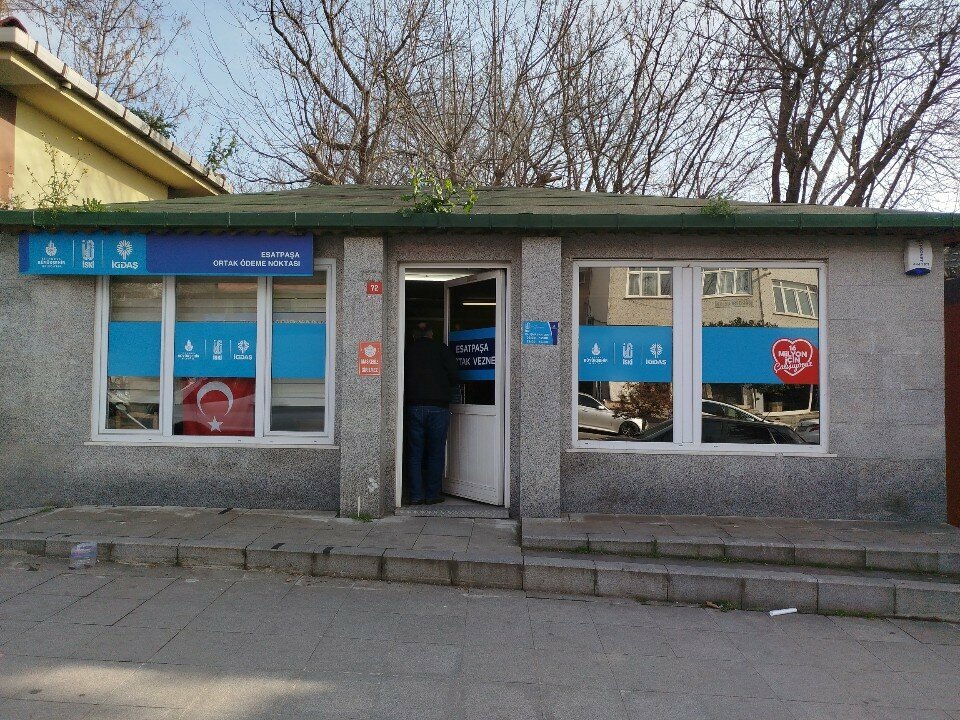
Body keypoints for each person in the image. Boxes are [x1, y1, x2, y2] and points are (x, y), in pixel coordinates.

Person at [404, 321, 460, 505]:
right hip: (438, 407)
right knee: (435, 452)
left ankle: (415, 495)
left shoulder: (408, 350)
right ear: (431, 334)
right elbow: (454, 375)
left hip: (414, 406)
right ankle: (432, 494)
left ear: (414, 335)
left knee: (415, 452)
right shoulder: (442, 349)